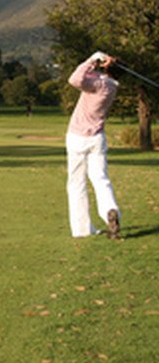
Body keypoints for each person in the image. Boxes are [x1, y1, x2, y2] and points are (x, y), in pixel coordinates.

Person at [66, 51, 121, 239]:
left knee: (77, 184)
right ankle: (110, 211)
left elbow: (74, 79)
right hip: (97, 138)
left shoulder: (99, 83)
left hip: (77, 137)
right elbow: (88, 77)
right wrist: (103, 63)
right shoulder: (112, 86)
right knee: (100, 178)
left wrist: (92, 59)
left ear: (106, 67)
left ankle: (82, 230)